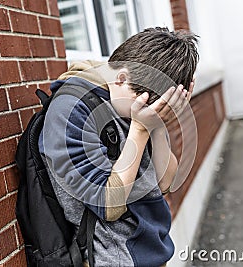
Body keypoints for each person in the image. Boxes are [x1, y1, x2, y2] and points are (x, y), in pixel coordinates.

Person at [38, 27, 199, 266]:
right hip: (114, 258)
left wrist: (157, 124)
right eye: (147, 104)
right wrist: (140, 129)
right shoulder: (71, 111)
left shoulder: (137, 104)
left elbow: (165, 183)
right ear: (122, 78)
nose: (148, 112)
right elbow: (107, 204)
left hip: (153, 249)